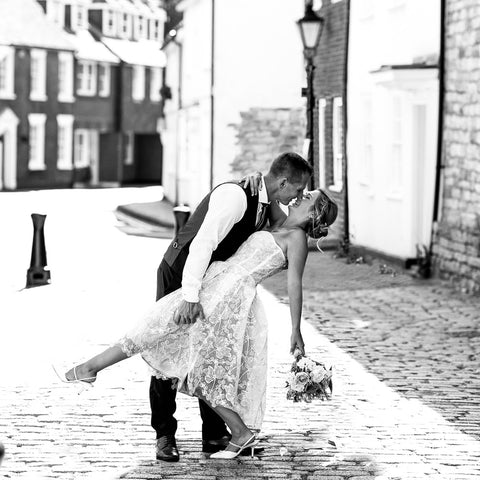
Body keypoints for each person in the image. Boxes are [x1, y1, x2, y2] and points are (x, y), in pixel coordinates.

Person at [59, 188, 338, 459]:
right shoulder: (277, 220)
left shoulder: (297, 237)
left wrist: (296, 330)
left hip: (232, 298)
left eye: (308, 196)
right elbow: (270, 186)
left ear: (314, 212)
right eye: (303, 190)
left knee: (197, 364)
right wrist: (250, 179)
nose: (301, 194)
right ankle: (90, 368)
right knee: (156, 327)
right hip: (214, 282)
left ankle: (239, 433)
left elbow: (294, 287)